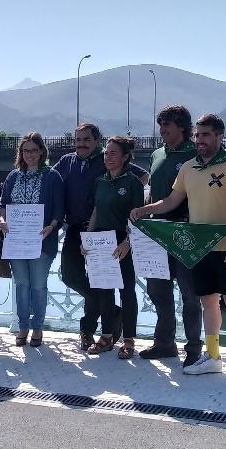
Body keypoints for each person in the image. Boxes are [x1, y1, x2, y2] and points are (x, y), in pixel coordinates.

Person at [132, 114, 226, 383]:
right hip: (198, 249)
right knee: (207, 301)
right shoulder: (188, 168)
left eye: (206, 135)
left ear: (220, 136)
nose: (200, 140)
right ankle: (212, 356)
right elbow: (171, 201)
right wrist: (144, 209)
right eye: (198, 135)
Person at [53, 123, 146, 350]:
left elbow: (143, 178)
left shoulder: (121, 174)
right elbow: (51, 180)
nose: (81, 143)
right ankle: (111, 316)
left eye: (86, 139)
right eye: (78, 139)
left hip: (117, 235)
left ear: (96, 140)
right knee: (75, 278)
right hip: (81, 231)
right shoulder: (72, 164)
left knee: (120, 287)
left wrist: (128, 230)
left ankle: (103, 334)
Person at [140, 105, 203, 366]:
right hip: (157, 232)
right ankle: (165, 343)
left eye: (167, 125)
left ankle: (194, 348)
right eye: (160, 125)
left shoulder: (196, 153)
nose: (162, 130)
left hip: (186, 232)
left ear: (182, 127)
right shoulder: (156, 154)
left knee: (190, 295)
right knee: (157, 290)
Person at [0, 132, 65, 347]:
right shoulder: (13, 176)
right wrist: (1, 219)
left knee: (38, 285)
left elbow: (59, 209)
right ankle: (23, 326)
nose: (30, 155)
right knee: (21, 285)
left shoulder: (52, 176)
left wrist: (51, 226)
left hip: (42, 241)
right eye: (26, 150)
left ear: (42, 152)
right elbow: (3, 205)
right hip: (16, 242)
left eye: (34, 150)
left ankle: (38, 328)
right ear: (21, 152)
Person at [83, 136, 145, 358]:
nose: (108, 157)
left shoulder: (132, 183)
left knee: (127, 291)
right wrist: (87, 240)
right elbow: (96, 211)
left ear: (126, 157)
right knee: (103, 291)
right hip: (101, 240)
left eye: (113, 153)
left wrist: (128, 242)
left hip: (123, 241)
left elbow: (138, 218)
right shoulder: (100, 181)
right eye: (106, 153)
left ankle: (128, 340)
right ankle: (107, 336)